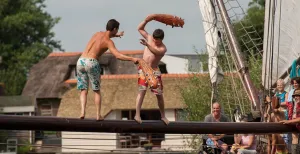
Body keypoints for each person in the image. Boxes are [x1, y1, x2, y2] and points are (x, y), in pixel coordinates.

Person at [76, 19, 139, 121]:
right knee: (96, 90)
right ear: (114, 29)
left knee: (83, 90)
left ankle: (82, 112)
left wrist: (117, 35)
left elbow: (106, 35)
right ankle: (98, 115)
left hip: (80, 61)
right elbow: (118, 55)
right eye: (116, 30)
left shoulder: (97, 34)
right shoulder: (108, 42)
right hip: (91, 62)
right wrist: (132, 59)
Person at [134, 15, 169, 125]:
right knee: (142, 91)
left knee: (159, 94)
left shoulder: (163, 48)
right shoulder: (149, 38)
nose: (154, 41)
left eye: (156, 40)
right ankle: (137, 114)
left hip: (154, 70)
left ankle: (163, 116)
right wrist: (147, 20)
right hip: (143, 68)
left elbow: (156, 52)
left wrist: (147, 45)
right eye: (153, 39)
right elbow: (139, 28)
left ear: (161, 40)